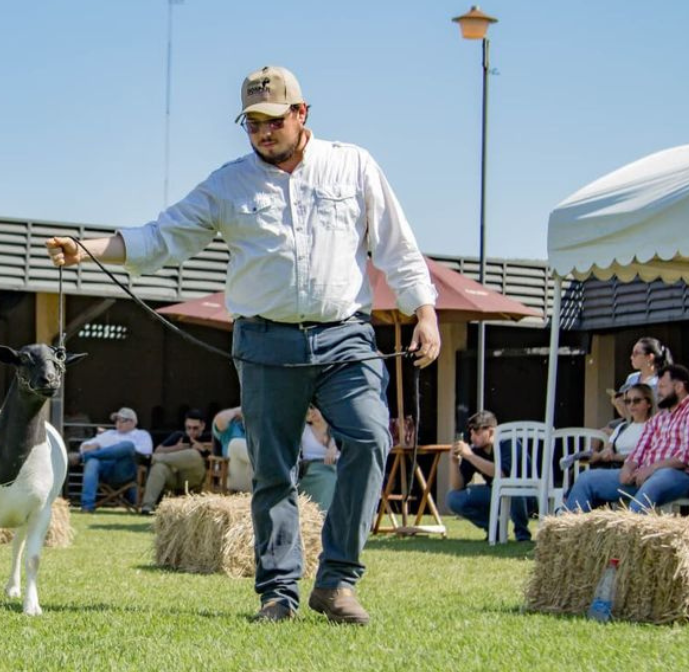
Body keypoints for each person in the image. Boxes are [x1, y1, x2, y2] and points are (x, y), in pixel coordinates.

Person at [46, 66, 440, 624]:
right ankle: (278, 593)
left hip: (345, 335)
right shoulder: (229, 184)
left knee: (372, 438)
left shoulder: (354, 165)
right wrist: (88, 249)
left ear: (302, 114)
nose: (262, 133)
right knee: (274, 471)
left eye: (273, 121)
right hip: (263, 340)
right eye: (252, 123)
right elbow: (162, 237)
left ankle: (336, 583)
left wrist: (425, 311)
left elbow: (398, 247)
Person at [564, 366, 689, 514]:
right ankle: (569, 533)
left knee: (656, 481)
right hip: (643, 474)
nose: (658, 392)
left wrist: (650, 469)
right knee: (587, 479)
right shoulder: (658, 418)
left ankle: (625, 531)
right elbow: (639, 451)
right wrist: (627, 468)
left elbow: (687, 457)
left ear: (679, 387)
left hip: (677, 475)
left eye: (662, 387)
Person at [447, 411, 532, 542]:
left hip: (527, 494)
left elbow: (503, 474)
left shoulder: (509, 442)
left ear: (491, 432)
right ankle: (494, 529)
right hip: (495, 493)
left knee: (512, 485)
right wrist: (453, 462)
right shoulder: (475, 450)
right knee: (453, 498)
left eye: (476, 432)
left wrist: (470, 456)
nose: (472, 437)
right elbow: (458, 486)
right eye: (471, 432)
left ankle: (522, 535)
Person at [76, 407, 153, 513]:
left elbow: (147, 451)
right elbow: (84, 447)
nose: (118, 423)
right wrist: (94, 445)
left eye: (123, 420)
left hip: (126, 470)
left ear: (133, 422)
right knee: (92, 463)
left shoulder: (141, 434)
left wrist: (118, 450)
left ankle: (90, 456)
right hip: (106, 471)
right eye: (117, 420)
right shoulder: (109, 434)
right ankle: (87, 506)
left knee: (127, 446)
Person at [140, 409, 211, 515]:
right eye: (188, 428)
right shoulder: (180, 435)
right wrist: (177, 447)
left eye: (195, 428)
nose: (191, 431)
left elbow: (213, 455)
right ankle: (147, 507)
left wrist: (196, 445)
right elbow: (158, 450)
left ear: (203, 426)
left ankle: (151, 459)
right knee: (159, 466)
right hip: (176, 477)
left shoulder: (209, 436)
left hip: (195, 477)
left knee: (193, 454)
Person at [298, 406, 338, 511]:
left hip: (337, 468)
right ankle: (322, 517)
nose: (312, 413)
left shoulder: (338, 428)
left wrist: (333, 445)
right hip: (312, 470)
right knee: (330, 478)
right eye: (307, 413)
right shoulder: (304, 431)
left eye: (313, 408)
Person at [212, 406, 253, 492]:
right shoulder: (232, 427)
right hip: (234, 477)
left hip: (256, 479)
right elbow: (219, 419)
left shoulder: (260, 429)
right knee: (235, 444)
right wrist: (238, 410)